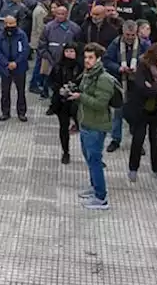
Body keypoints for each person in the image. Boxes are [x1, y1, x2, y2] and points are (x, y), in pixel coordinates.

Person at [68, 43, 117, 210]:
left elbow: (100, 103)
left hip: (96, 126)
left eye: (91, 58)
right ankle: (95, 187)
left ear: (98, 59)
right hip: (86, 123)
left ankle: (101, 197)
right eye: (86, 57)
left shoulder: (103, 79)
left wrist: (80, 96)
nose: (87, 61)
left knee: (95, 161)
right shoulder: (88, 74)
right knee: (89, 159)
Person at [125, 43, 157, 185]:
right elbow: (141, 88)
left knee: (156, 140)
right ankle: (133, 168)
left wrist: (153, 88)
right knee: (138, 139)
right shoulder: (143, 67)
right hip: (141, 109)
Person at [104, 19, 145, 152]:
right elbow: (107, 60)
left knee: (137, 114)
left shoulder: (143, 45)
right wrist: (118, 68)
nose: (130, 38)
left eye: (133, 35)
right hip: (120, 82)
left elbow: (148, 62)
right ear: (123, 32)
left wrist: (137, 68)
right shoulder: (115, 44)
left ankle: (137, 139)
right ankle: (115, 139)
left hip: (136, 84)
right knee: (118, 112)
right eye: (127, 35)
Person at [49, 43, 82, 164]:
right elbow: (52, 81)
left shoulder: (81, 66)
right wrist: (60, 90)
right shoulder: (58, 66)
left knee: (83, 128)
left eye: (72, 51)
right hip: (62, 102)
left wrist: (75, 90)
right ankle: (65, 152)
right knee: (63, 127)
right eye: (67, 51)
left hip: (77, 102)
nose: (69, 54)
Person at [0, 14, 29, 121]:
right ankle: (5, 112)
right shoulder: (0, 36)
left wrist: (16, 62)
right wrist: (6, 63)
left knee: (21, 91)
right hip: (5, 68)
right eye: (8, 24)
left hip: (19, 67)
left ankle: (21, 112)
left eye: (13, 24)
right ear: (4, 24)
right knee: (5, 92)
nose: (11, 26)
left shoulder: (21, 35)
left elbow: (25, 50)